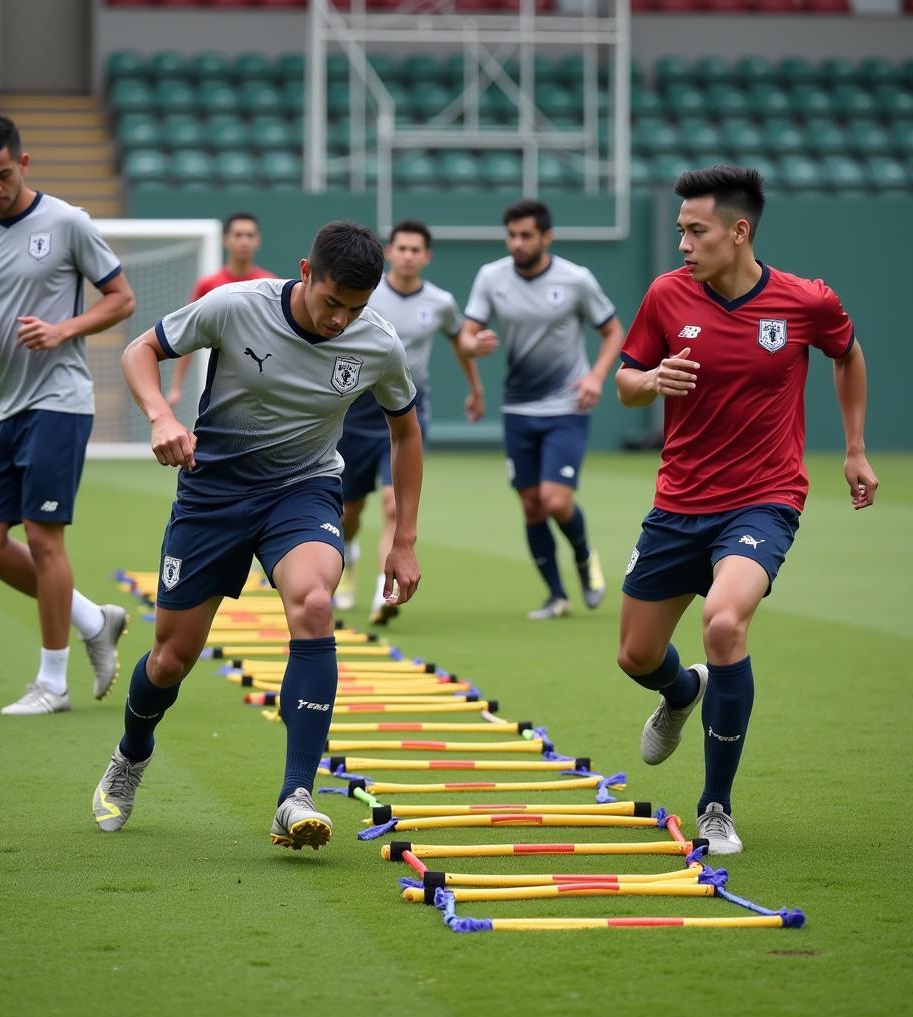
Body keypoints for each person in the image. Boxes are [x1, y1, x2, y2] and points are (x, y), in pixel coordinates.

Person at [91, 221, 422, 850]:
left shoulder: (376, 343)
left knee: (317, 603)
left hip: (302, 492)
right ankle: (131, 755)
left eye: (356, 309)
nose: (340, 321)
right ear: (304, 272)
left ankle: (295, 794)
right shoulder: (235, 306)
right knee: (170, 660)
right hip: (212, 493)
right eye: (331, 303)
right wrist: (161, 415)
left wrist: (403, 538)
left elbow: (406, 432)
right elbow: (141, 350)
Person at [615, 165, 878, 854]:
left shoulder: (805, 301)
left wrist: (853, 448)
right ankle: (679, 693)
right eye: (679, 231)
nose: (682, 245)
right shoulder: (666, 297)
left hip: (764, 500)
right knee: (636, 655)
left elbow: (846, 355)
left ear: (739, 232)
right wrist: (651, 379)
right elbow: (625, 384)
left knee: (724, 622)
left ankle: (715, 806)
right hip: (677, 503)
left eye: (695, 232)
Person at [0, 115, 136, 715]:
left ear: (23, 165)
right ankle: (90, 616)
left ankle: (53, 683)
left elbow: (121, 299)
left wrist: (64, 330)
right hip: (1, 407)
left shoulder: (68, 222)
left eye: (3, 175)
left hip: (59, 400)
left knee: (45, 540)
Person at [459, 199, 625, 619]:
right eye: (512, 235)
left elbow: (612, 332)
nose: (517, 243)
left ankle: (585, 556)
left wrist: (596, 377)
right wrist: (471, 343)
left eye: (526, 235)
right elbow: (466, 334)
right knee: (531, 504)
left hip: (567, 405)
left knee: (554, 500)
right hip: (517, 406)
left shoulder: (576, 280)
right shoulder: (490, 277)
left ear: (546, 237)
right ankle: (556, 596)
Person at [335, 219, 483, 624]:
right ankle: (348, 560)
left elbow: (460, 341)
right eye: (401, 248)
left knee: (390, 504)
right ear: (390, 252)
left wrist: (475, 387)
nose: (408, 255)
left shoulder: (439, 301)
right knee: (348, 512)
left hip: (405, 412)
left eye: (416, 250)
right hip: (356, 411)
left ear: (427, 256)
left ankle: (383, 595)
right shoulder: (367, 294)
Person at [165, 212, 276, 407]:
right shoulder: (208, 285)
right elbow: (188, 331)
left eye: (250, 236)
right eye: (238, 235)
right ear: (226, 240)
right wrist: (176, 386)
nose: (244, 242)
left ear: (258, 240)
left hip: (262, 384)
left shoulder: (271, 284)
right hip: (219, 383)